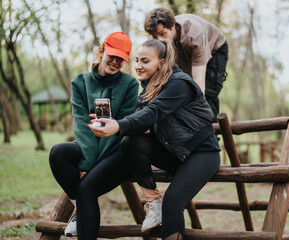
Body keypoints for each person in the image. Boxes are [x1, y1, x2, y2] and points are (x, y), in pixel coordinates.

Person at [89, 39, 221, 240]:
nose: (138, 66)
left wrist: (121, 126)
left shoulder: (179, 83)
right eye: (137, 60)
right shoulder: (149, 88)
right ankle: (153, 201)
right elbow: (139, 117)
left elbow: (153, 112)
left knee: (173, 203)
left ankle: (163, 206)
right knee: (131, 142)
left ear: (161, 63)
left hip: (201, 154)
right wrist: (111, 123)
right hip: (174, 154)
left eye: (145, 61)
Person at [49, 32, 139, 239]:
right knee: (59, 152)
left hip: (117, 151)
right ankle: (81, 208)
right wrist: (87, 165)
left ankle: (82, 205)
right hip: (89, 146)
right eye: (112, 55)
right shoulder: (80, 82)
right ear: (101, 51)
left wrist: (89, 169)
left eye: (121, 59)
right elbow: (81, 125)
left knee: (86, 187)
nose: (116, 62)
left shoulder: (130, 85)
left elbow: (122, 128)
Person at [143, 7, 229, 122]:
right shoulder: (157, 40)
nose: (159, 40)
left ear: (172, 26)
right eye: (154, 37)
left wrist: (197, 114)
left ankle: (210, 131)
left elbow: (199, 81)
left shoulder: (194, 36)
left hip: (215, 49)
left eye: (162, 34)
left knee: (209, 92)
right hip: (183, 49)